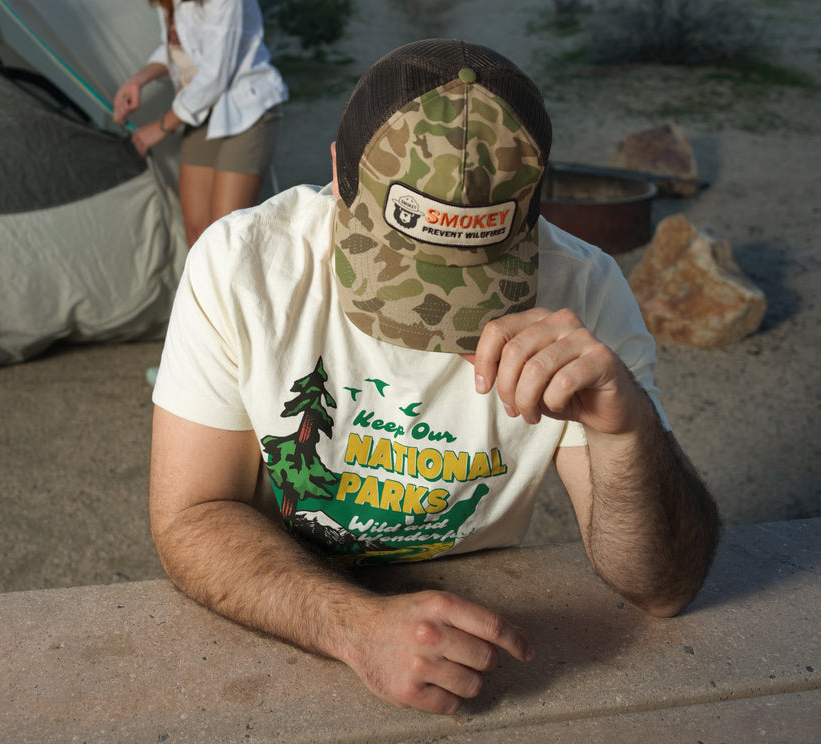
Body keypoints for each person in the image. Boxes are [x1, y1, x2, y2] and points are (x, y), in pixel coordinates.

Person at [149, 38, 719, 714]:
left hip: (474, 647)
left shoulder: (584, 291)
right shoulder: (243, 265)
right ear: (338, 170)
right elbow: (192, 516)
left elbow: (662, 587)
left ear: (535, 207)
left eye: (478, 270)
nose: (434, 325)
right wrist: (353, 626)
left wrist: (626, 432)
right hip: (280, 620)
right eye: (406, 263)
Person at [113, 0, 287, 246]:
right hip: (201, 111)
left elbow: (215, 72)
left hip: (245, 110)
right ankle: (204, 309)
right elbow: (178, 46)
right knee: (198, 236)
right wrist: (139, 79)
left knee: (225, 242)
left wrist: (156, 129)